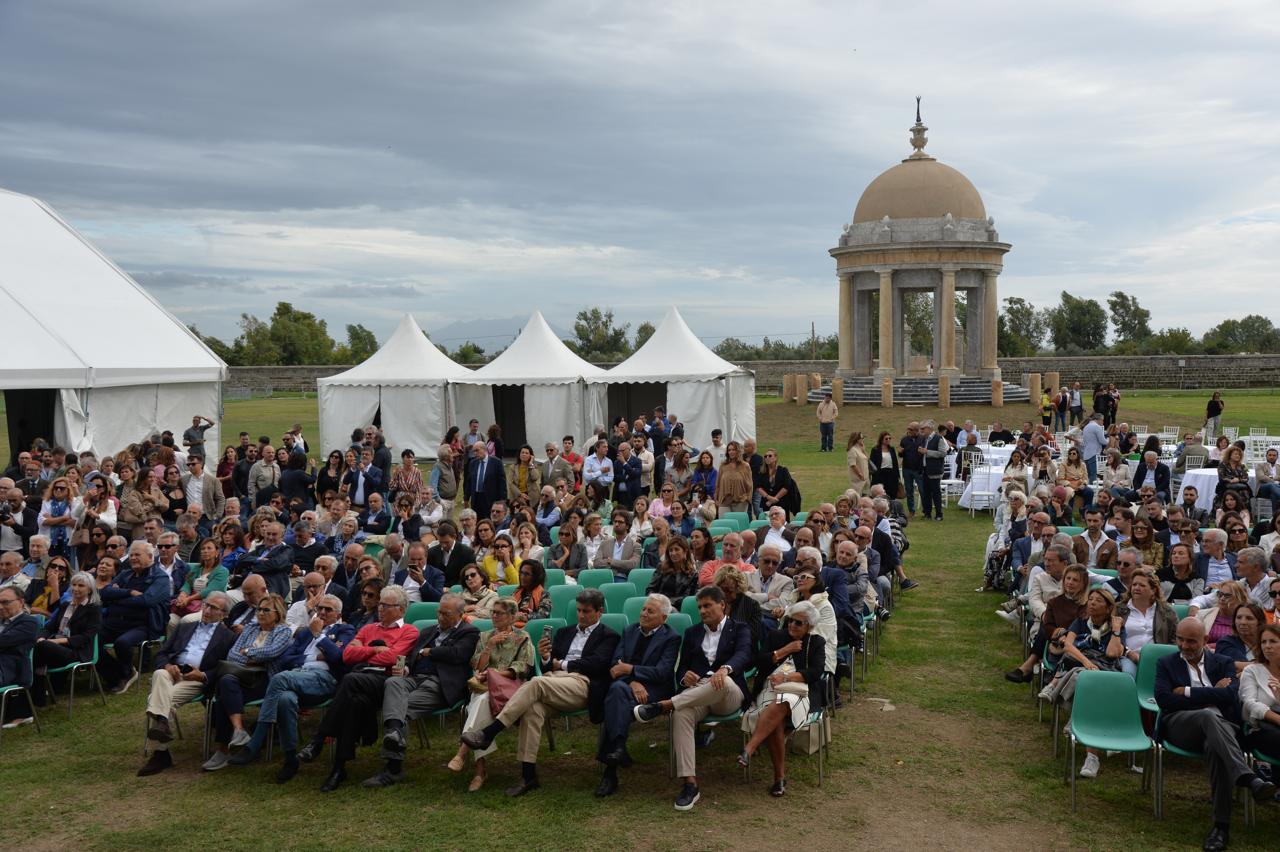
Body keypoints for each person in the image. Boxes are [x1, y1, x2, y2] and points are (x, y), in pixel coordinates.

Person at [457, 588, 620, 797]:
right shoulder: (565, 632)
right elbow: (548, 665)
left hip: (583, 684)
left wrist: (560, 663)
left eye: (586, 611)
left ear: (599, 612)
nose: (581, 615)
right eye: (578, 610)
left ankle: (490, 732)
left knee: (535, 683)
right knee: (532, 709)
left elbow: (596, 664)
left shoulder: (609, 635)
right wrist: (545, 657)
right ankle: (528, 775)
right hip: (554, 682)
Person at [1155, 617, 1276, 851]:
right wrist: (1211, 693)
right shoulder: (1166, 663)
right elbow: (1164, 698)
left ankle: (1221, 828)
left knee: (1215, 745)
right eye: (1180, 639)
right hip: (1181, 725)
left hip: (1222, 730)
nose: (1184, 646)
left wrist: (1185, 692)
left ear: (1205, 640)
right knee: (1208, 716)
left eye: (1191, 641)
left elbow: (1231, 696)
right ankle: (1247, 777)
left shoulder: (1222, 662)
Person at [632, 585, 753, 811]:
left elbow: (744, 654)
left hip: (728, 694)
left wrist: (725, 669)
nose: (703, 610)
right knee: (681, 713)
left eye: (707, 605)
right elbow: (681, 670)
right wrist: (684, 679)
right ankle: (690, 783)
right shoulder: (692, 633)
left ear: (722, 605)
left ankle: (664, 705)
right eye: (700, 607)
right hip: (697, 694)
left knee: (721, 681)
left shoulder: (740, 628)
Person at [298, 586, 421, 792]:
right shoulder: (368, 628)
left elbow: (392, 657)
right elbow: (347, 655)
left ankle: (318, 741)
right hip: (361, 678)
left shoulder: (409, 631)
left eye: (386, 605)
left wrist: (363, 651)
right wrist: (374, 649)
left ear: (400, 610)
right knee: (354, 702)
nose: (380, 609)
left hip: (386, 681)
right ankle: (338, 768)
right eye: (380, 604)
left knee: (349, 679)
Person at [361, 594, 480, 788]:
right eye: (439, 613)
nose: (441, 617)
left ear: (460, 614)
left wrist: (429, 652)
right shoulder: (427, 632)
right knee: (392, 682)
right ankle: (394, 737)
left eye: (446, 614)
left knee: (400, 709)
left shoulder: (469, 632)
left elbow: (457, 654)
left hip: (439, 684)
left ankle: (393, 768)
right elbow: (410, 656)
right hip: (413, 677)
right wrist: (405, 667)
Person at [135, 592, 236, 775]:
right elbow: (162, 653)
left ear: (224, 614)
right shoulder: (185, 627)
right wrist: (167, 665)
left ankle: (161, 753)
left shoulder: (228, 637)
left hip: (195, 679)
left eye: (214, 608)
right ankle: (163, 727)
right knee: (159, 673)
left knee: (155, 699)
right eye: (206, 605)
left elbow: (225, 667)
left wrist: (203, 675)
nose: (207, 610)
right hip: (172, 673)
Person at [594, 593, 680, 797]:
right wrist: (632, 681)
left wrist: (630, 670)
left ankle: (611, 771)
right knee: (617, 693)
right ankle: (618, 751)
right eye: (643, 609)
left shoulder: (672, 637)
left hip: (656, 691)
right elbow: (615, 666)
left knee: (615, 698)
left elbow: (662, 672)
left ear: (664, 618)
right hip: (627, 687)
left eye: (650, 611)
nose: (644, 613)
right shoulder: (630, 630)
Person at [446, 598, 536, 792]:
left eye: (499, 613)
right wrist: (489, 647)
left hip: (510, 689)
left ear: (512, 617)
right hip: (484, 687)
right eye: (493, 612)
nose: (494, 616)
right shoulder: (485, 636)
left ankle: (467, 757)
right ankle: (478, 768)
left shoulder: (523, 637)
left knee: (480, 703)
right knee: (481, 701)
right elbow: (476, 665)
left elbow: (523, 667)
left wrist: (494, 674)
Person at [738, 600, 826, 797]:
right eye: (790, 620)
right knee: (776, 719)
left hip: (800, 691)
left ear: (809, 626)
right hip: (769, 689)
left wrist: (786, 677)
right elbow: (758, 662)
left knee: (784, 701)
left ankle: (750, 748)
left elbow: (816, 672)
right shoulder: (776, 636)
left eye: (798, 623)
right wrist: (784, 651)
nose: (792, 625)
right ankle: (779, 779)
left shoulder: (816, 643)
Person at [202, 592, 293, 770]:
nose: (260, 613)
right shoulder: (251, 628)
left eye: (266, 610)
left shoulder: (284, 631)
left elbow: (271, 652)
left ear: (278, 613)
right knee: (226, 684)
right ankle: (239, 731)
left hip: (266, 681)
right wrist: (253, 656)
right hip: (241, 679)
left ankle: (223, 750)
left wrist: (248, 652)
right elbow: (232, 654)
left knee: (224, 693)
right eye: (258, 609)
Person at [98, 541, 171, 693]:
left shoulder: (161, 578)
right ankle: (117, 674)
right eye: (131, 555)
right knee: (90, 640)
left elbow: (146, 601)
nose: (132, 558)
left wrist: (116, 599)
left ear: (150, 556)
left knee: (122, 643)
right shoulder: (126, 574)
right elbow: (104, 593)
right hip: (116, 621)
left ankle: (126, 673)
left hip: (143, 624)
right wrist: (128, 592)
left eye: (137, 554)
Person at [1239, 624, 1280, 762]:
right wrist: (1277, 719)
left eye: (1273, 641)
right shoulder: (1252, 670)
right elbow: (1250, 704)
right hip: (1260, 727)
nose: (1267, 646)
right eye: (1264, 642)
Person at [592, 509, 640, 582]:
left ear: (627, 526)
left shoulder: (635, 546)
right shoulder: (604, 543)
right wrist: (622, 564)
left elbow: (632, 564)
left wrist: (612, 562)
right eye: (615, 521)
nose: (617, 524)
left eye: (620, 522)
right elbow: (597, 563)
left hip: (623, 579)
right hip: (604, 577)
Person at [465, 443, 506, 523]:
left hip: (490, 498)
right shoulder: (473, 463)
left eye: (477, 450)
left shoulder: (496, 462)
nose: (475, 453)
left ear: (484, 449)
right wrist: (466, 497)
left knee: (491, 521)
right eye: (474, 451)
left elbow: (502, 483)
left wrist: (502, 500)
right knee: (477, 521)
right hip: (476, 498)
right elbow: (469, 482)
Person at [426, 520, 475, 588]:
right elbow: (429, 573)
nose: (443, 545)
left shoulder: (467, 553)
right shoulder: (431, 552)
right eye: (441, 542)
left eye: (446, 542)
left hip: (459, 591)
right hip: (436, 590)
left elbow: (469, 575)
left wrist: (453, 589)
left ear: (454, 537)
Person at [755, 449, 798, 520]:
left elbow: (786, 486)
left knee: (783, 523)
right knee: (769, 524)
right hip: (767, 503)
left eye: (770, 456)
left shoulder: (783, 470)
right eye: (765, 456)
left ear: (775, 458)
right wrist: (769, 498)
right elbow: (759, 487)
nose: (767, 458)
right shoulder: (762, 472)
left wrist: (775, 498)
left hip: (782, 502)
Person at [919, 421, 947, 521]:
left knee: (936, 493)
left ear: (930, 429)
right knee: (926, 493)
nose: (922, 430)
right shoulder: (924, 439)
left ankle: (939, 514)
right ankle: (927, 513)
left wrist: (927, 452)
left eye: (924, 428)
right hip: (925, 469)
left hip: (934, 470)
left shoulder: (938, 438)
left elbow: (943, 453)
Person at [845, 432, 869, 497]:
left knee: (865, 496)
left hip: (865, 477)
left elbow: (867, 459)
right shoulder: (852, 450)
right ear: (857, 439)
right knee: (857, 496)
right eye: (861, 438)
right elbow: (852, 464)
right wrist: (860, 474)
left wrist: (864, 450)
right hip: (858, 479)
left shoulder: (860, 449)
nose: (863, 440)